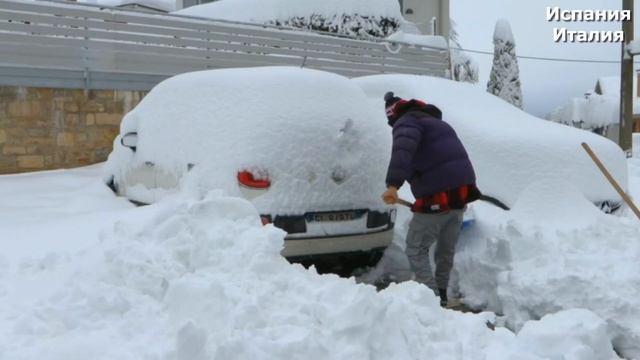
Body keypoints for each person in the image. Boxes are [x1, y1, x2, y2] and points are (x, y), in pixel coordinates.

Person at [381, 91, 481, 307]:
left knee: (415, 248)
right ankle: (442, 294)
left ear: (393, 116)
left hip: (437, 196)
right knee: (446, 249)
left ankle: (432, 302)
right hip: (460, 196)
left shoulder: (405, 122)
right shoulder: (435, 122)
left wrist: (392, 185)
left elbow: (402, 152)